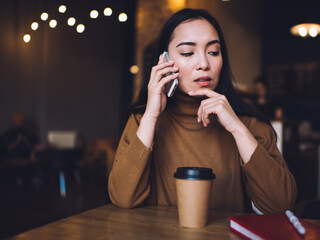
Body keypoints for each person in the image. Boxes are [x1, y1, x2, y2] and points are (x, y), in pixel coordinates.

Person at [108, 9, 297, 214]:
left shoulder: (250, 123)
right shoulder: (142, 121)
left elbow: (282, 205)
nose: (204, 64)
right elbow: (122, 197)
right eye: (188, 53)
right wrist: (151, 116)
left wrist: (237, 128)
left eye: (213, 52)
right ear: (164, 61)